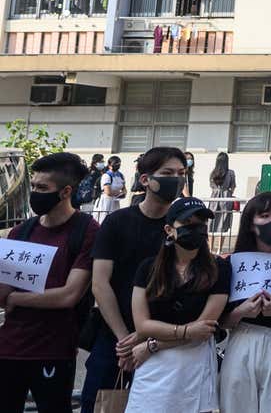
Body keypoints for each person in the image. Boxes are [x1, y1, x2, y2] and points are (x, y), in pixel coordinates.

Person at [82, 146, 187, 413]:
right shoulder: (117, 222)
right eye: (167, 173)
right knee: (100, 405)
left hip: (162, 342)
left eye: (181, 173)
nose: (176, 179)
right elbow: (100, 283)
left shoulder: (185, 228)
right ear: (145, 179)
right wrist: (125, 340)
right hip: (115, 340)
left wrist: (146, 338)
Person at [0, 152, 98, 413]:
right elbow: (3, 291)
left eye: (42, 188)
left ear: (66, 191)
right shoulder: (21, 232)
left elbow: (69, 295)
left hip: (54, 349)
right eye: (33, 186)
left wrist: (17, 298)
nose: (35, 193)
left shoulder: (86, 230)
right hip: (9, 347)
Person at [124, 196, 229, 413]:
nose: (197, 229)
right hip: (153, 366)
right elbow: (143, 325)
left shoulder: (219, 269)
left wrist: (154, 345)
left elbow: (204, 328)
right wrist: (185, 331)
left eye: (201, 224)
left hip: (192, 363)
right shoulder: (148, 268)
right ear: (169, 229)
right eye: (188, 223)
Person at [220, 192, 271, 413]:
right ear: (251, 224)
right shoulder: (233, 264)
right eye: (265, 215)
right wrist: (241, 312)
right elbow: (221, 321)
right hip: (243, 341)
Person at [208, 152, 237, 232]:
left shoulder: (213, 173)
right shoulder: (231, 172)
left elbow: (211, 186)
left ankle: (210, 244)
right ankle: (220, 244)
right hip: (226, 198)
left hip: (214, 198)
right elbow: (233, 186)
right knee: (224, 222)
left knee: (211, 222)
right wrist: (228, 192)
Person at [92, 154, 126, 223]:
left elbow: (124, 189)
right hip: (106, 202)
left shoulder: (121, 175)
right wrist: (119, 193)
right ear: (110, 165)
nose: (117, 165)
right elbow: (108, 192)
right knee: (103, 221)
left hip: (115, 202)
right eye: (115, 163)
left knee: (114, 221)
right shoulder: (106, 176)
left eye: (118, 163)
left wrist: (123, 193)